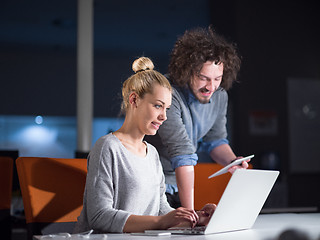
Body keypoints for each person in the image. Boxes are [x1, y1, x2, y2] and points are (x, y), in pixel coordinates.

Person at [74, 57, 215, 233]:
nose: (164, 116)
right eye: (158, 106)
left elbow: (162, 210)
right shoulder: (107, 147)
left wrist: (196, 218)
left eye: (167, 109)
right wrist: (160, 222)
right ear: (134, 100)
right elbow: (99, 216)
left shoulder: (152, 154)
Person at [145, 26, 251, 209]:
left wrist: (232, 161)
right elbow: (182, 152)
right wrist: (189, 213)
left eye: (217, 78)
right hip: (150, 182)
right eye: (203, 78)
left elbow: (215, 140)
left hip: (178, 182)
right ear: (186, 71)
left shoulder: (220, 96)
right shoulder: (166, 92)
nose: (211, 87)